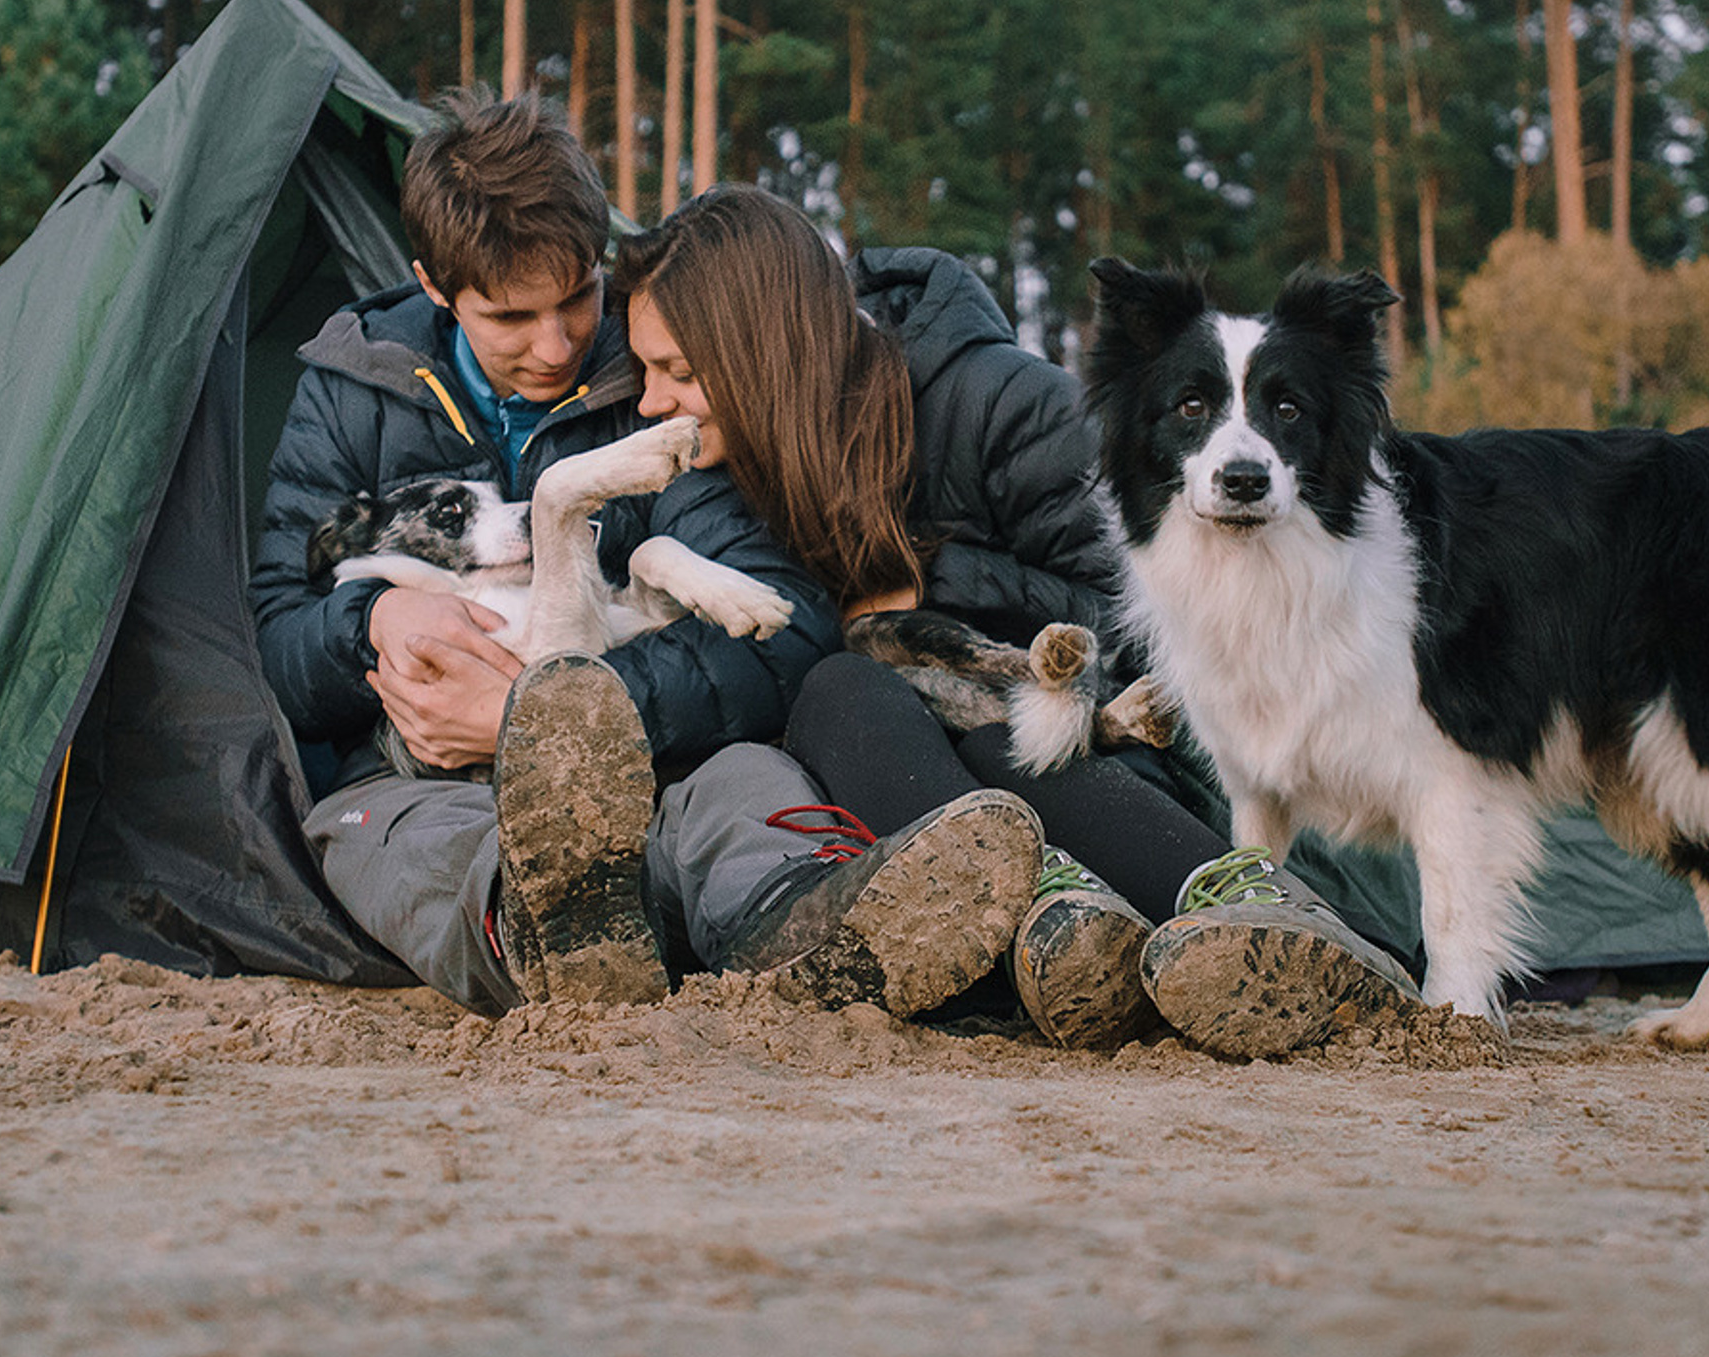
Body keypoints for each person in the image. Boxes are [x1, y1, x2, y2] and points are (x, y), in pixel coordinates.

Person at [250, 88, 1036, 1020]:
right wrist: (367, 621)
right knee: (399, 841)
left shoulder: (658, 375)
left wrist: (556, 717)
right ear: (433, 285)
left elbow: (784, 624)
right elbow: (274, 634)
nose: (556, 346)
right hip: (420, 782)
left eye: (579, 295)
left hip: (662, 760)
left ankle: (819, 934)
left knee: (746, 788)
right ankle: (555, 943)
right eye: (510, 318)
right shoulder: (352, 391)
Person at [616, 187, 1423, 1061]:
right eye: (647, 371)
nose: (652, 402)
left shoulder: (1000, 401)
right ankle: (1057, 922)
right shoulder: (738, 467)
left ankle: (1260, 907)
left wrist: (934, 577)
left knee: (962, 720)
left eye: (681, 374)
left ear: (764, 354)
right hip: (988, 781)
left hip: (1168, 756)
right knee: (843, 687)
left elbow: (1167, 618)